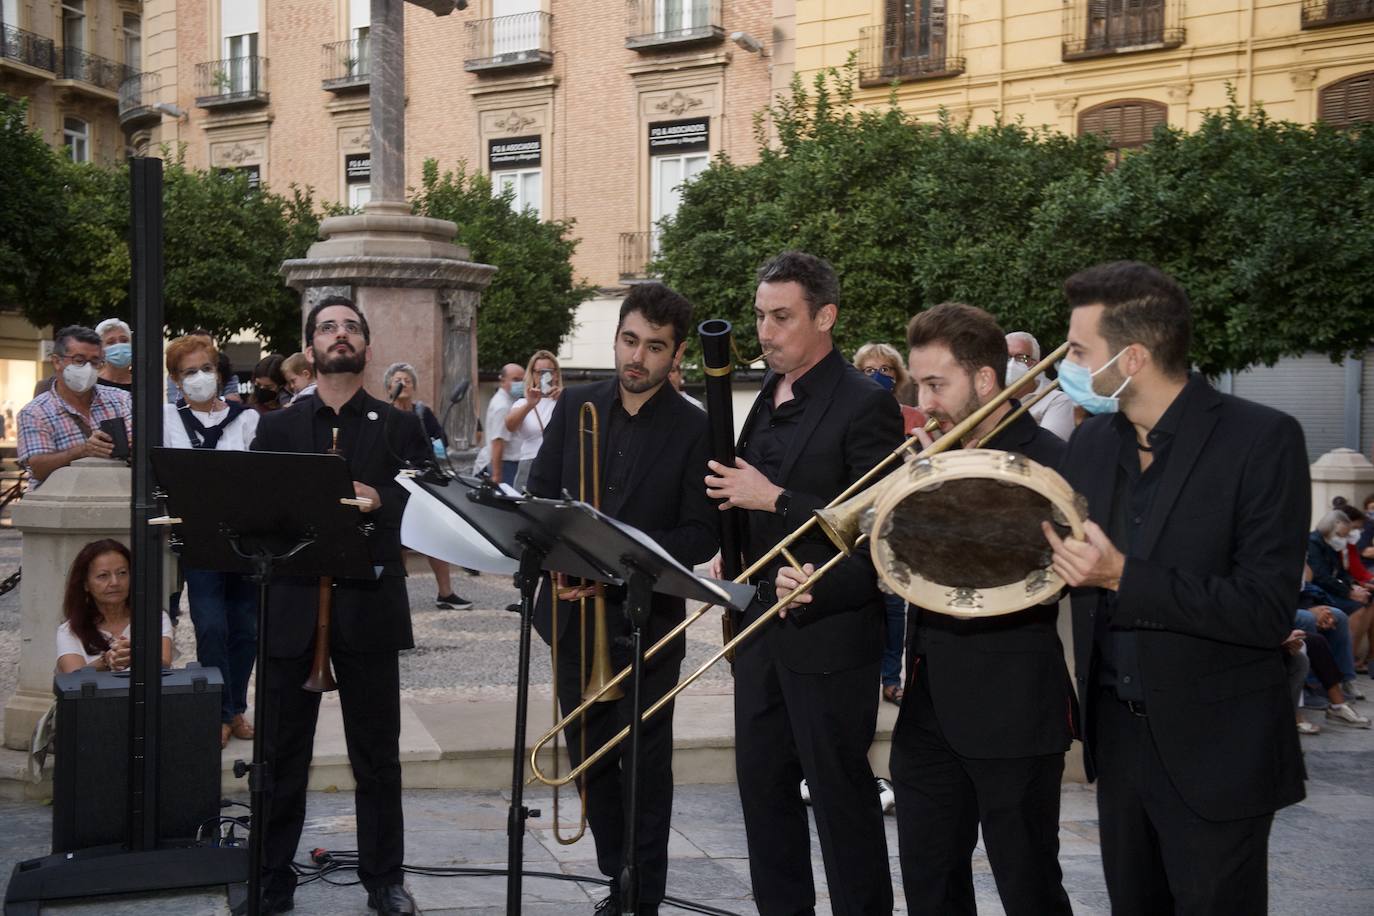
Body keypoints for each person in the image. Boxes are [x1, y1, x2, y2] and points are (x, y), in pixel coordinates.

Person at [1043, 261, 1308, 914]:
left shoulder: (1262, 440)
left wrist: (1122, 578)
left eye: (1078, 352)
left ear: (1132, 357)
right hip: (1120, 750)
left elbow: (1265, 608)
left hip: (1221, 753)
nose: (1064, 367)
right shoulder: (1091, 442)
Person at [706, 251, 901, 916]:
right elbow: (746, 497)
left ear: (825, 317)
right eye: (760, 315)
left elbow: (877, 530)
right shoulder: (767, 392)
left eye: (781, 317)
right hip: (759, 628)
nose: (764, 330)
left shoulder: (864, 405)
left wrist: (776, 500)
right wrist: (727, 556)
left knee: (841, 806)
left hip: (829, 639)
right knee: (762, 799)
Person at [529, 281, 717, 916]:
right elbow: (540, 502)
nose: (637, 357)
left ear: (676, 354)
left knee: (642, 773)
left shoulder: (697, 428)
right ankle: (617, 875)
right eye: (629, 340)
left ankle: (639, 898)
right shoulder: (576, 404)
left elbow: (699, 535)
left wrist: (611, 562)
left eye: (654, 347)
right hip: (570, 617)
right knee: (585, 763)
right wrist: (559, 562)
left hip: (646, 624)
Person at [889, 302, 1074, 916]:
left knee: (1029, 886)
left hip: (1015, 706)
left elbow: (1051, 575)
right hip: (927, 706)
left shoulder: (1050, 458)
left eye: (937, 384)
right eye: (919, 384)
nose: (925, 400)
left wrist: (941, 496)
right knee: (928, 882)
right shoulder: (927, 458)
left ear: (987, 380)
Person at [249, 295, 428, 916]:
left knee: (377, 756)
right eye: (328, 327)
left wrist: (380, 499)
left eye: (351, 327)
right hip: (293, 609)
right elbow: (252, 518)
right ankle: (270, 879)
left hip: (369, 607)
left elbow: (430, 512)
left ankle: (385, 880)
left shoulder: (401, 427)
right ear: (311, 347)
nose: (340, 335)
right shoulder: (276, 428)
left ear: (366, 346)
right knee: (278, 756)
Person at [163, 333, 261, 748]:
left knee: (247, 628)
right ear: (175, 379)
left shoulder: (248, 419)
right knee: (211, 626)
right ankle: (217, 712)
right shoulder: (167, 419)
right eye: (189, 372)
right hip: (199, 537)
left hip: (245, 537)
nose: (200, 377)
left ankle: (236, 706)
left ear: (220, 372)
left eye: (206, 368)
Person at [852, 341, 924, 707]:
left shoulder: (914, 417)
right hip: (859, 524)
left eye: (885, 370)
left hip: (899, 521)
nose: (877, 376)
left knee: (895, 606)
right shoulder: (849, 413)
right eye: (867, 370)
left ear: (897, 377)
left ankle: (891, 679)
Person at [384, 361, 472, 611]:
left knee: (435, 536)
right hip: (396, 482)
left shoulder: (422, 412)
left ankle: (446, 593)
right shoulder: (383, 414)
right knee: (398, 540)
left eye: (408, 380)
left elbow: (439, 438)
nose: (404, 383)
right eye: (398, 380)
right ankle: (397, 597)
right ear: (388, 386)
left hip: (423, 482)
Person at [18, 325, 133, 489]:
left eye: (95, 362)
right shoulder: (35, 412)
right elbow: (38, 468)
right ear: (57, 361)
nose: (87, 368)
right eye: (79, 361)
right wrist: (83, 451)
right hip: (59, 505)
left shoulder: (121, 400)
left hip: (116, 495)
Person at [57, 539, 172, 673]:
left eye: (122, 573)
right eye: (103, 576)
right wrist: (106, 660)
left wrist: (136, 655)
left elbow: (164, 663)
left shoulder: (153, 617)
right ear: (85, 584)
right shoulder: (69, 630)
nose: (115, 582)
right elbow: (73, 679)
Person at [505, 349, 561, 490]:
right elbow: (510, 425)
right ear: (533, 374)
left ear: (555, 373)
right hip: (530, 461)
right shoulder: (523, 403)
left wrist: (565, 399)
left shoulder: (566, 399)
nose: (544, 376)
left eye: (548, 371)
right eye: (539, 372)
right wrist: (530, 405)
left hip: (557, 463)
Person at [1005, 331, 1075, 441]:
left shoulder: (1058, 400)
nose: (1011, 364)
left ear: (1036, 365)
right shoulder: (987, 397)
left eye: (1022, 358)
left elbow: (1048, 451)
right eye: (1006, 357)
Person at [472, 363, 524, 483]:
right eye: (516, 379)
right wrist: (497, 475)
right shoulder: (502, 406)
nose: (520, 384)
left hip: (509, 463)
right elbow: (498, 441)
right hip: (505, 464)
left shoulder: (510, 401)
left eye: (522, 380)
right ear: (503, 380)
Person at [95, 318, 134, 391]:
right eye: (111, 342)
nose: (119, 345)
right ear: (100, 350)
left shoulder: (143, 383)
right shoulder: (92, 385)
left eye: (124, 340)